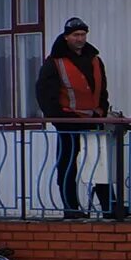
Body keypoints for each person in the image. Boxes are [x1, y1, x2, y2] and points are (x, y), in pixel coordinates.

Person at [34, 17, 113, 218]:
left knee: (99, 164)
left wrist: (102, 110)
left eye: (83, 34)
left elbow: (102, 89)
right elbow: (44, 93)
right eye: (76, 35)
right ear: (67, 37)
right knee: (68, 164)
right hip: (68, 121)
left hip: (94, 120)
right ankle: (71, 208)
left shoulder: (95, 59)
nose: (80, 38)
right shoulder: (55, 62)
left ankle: (109, 206)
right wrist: (58, 117)